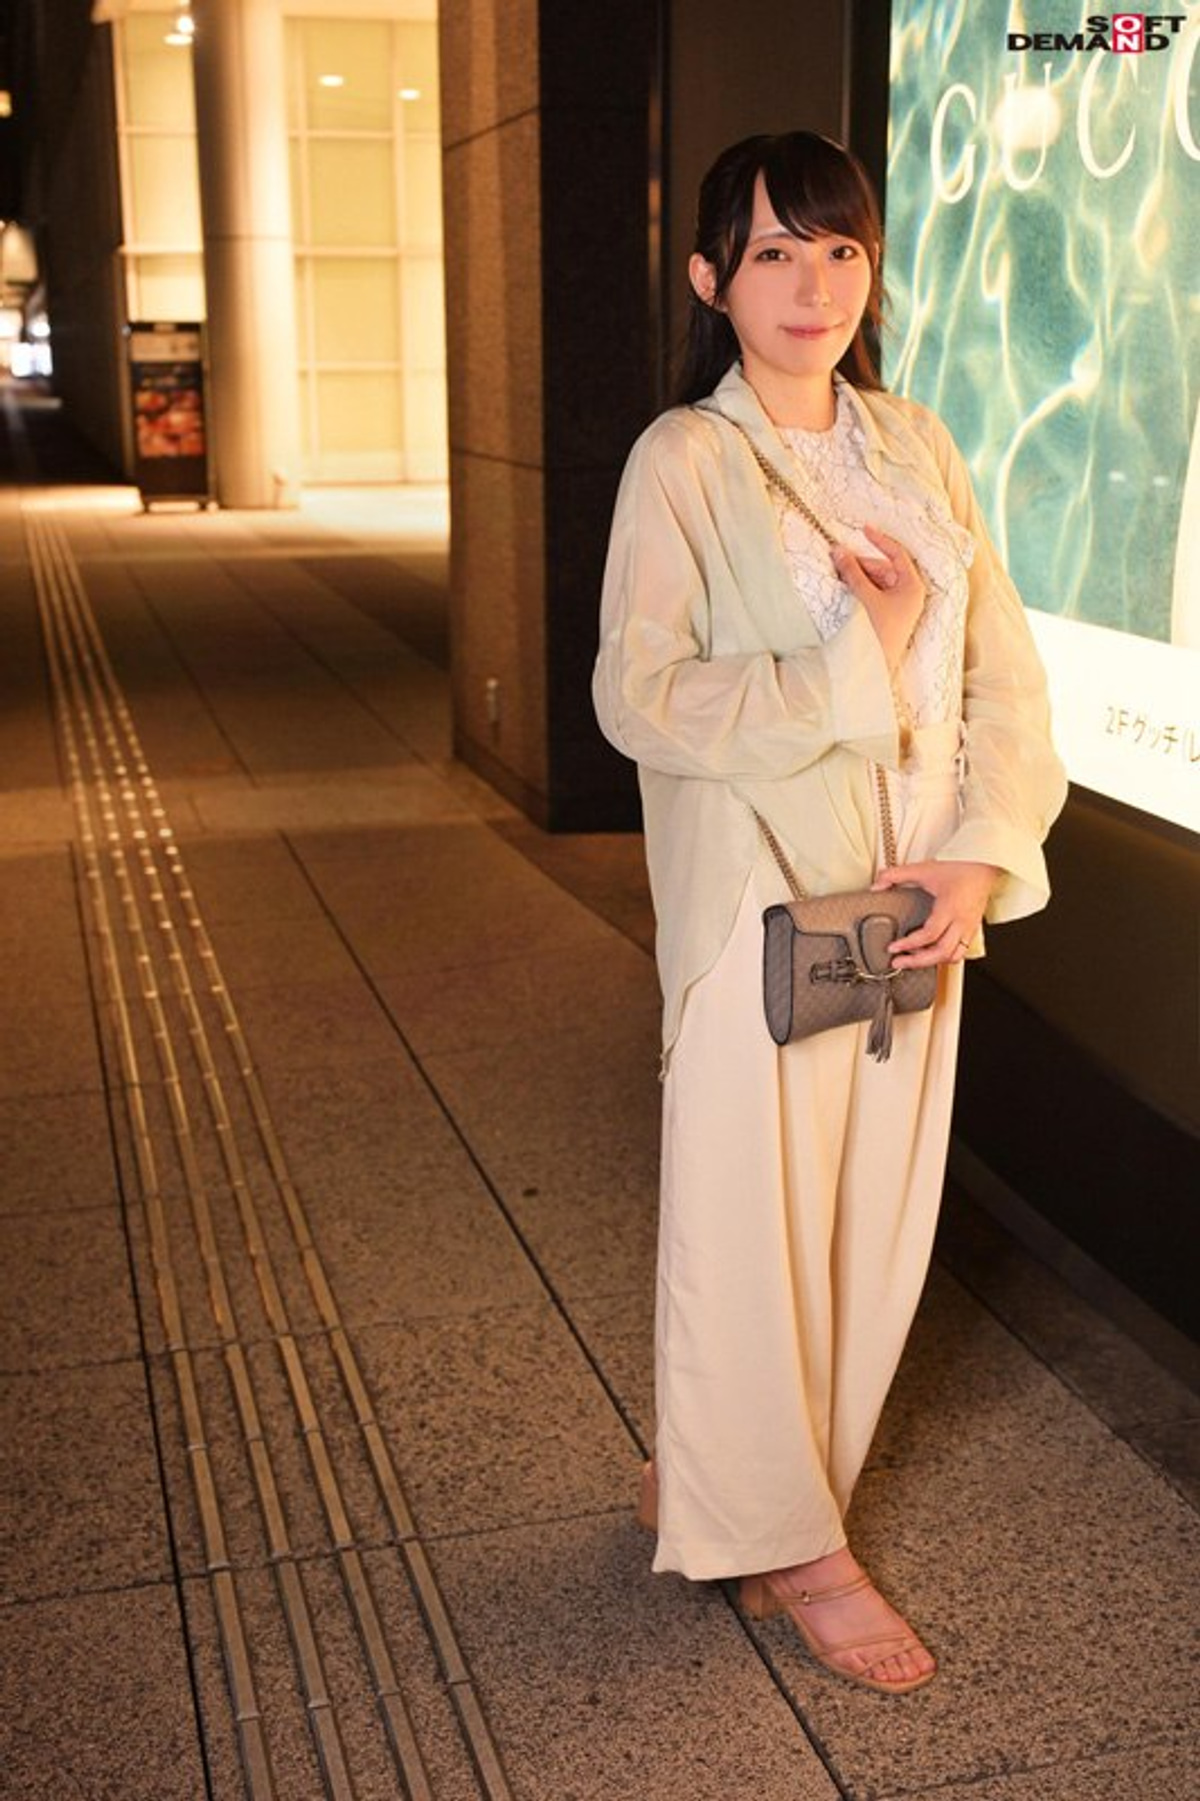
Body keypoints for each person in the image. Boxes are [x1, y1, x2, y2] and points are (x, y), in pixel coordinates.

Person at [592, 131, 1067, 1696]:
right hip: (764, 897)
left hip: (913, 895)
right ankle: (796, 1543)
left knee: (876, 1221)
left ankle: (738, 1490)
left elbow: (1003, 677)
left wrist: (981, 850)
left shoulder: (915, 440)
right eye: (776, 253)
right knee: (752, 1220)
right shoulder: (686, 458)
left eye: (842, 249)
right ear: (710, 277)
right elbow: (639, 694)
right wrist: (859, 655)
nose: (815, 286)